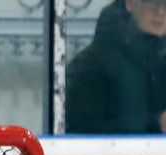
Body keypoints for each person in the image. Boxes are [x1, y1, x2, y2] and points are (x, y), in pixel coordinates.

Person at [66, 0, 166, 133]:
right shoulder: (91, 65)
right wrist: (156, 124)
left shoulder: (160, 62)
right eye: (151, 2)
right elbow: (80, 133)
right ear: (130, 3)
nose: (160, 11)